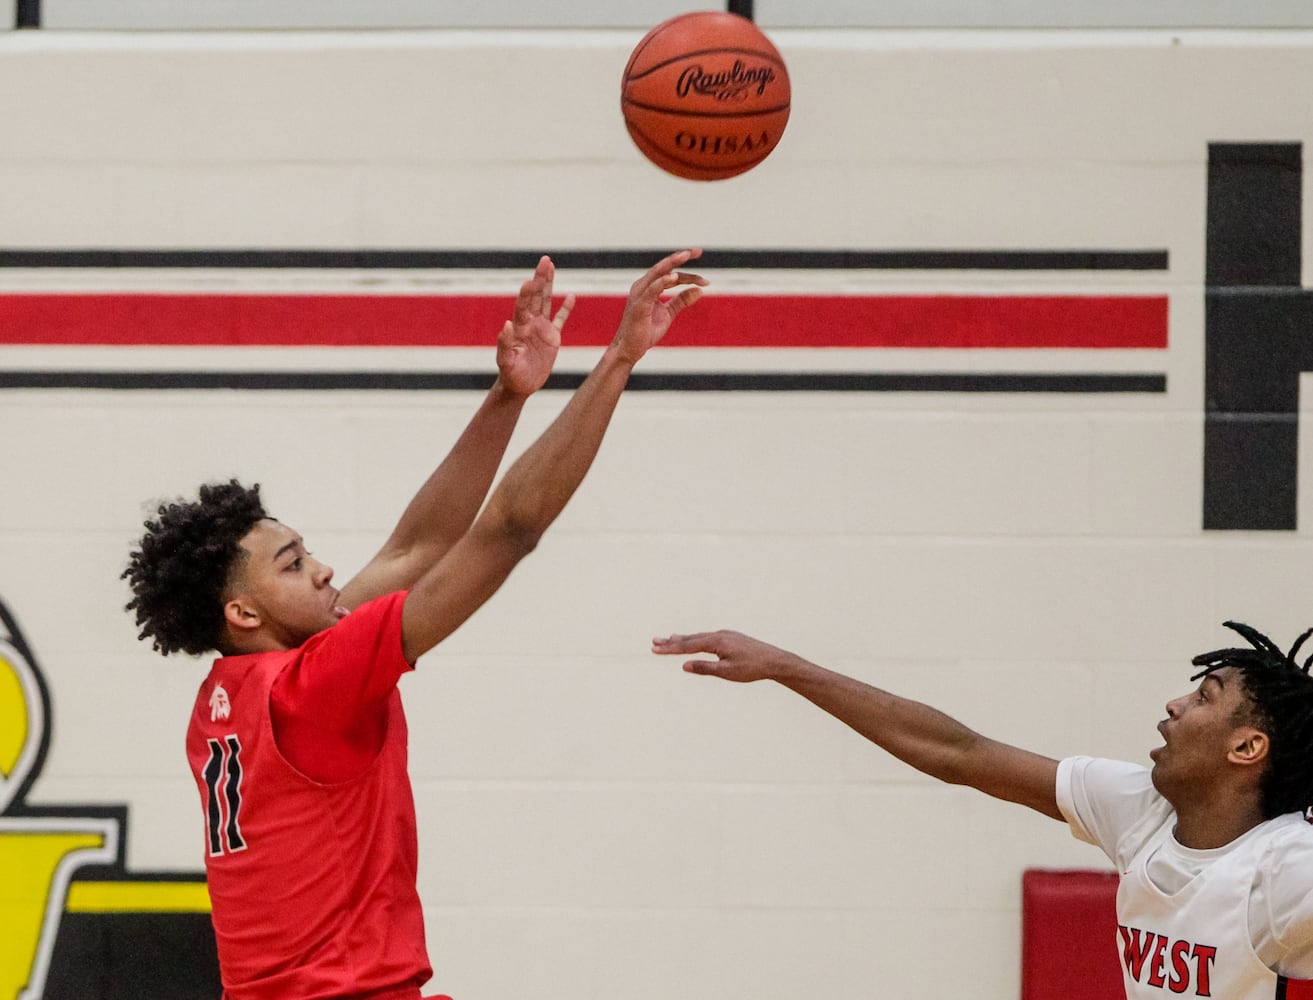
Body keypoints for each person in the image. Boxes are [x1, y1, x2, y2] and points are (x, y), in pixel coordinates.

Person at [122, 249, 706, 1000]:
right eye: (294, 564)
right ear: (243, 612)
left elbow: (415, 549)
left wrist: (508, 395)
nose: (328, 571)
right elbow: (509, 531)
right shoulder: (313, 687)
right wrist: (618, 360)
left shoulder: (225, 697)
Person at [652, 621, 1313, 999]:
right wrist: (785, 667)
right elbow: (957, 752)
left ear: (1247, 746)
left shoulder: (1285, 866)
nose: (1175, 704)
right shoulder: (1136, 808)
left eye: (1204, 696)